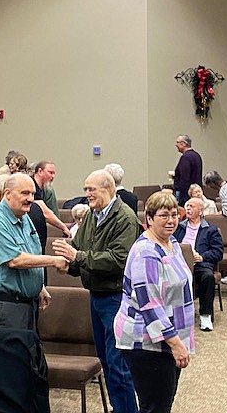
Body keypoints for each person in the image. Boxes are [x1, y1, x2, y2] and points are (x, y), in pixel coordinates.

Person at [52, 169, 141, 413]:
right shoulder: (93, 215)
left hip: (116, 298)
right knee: (106, 361)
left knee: (118, 365)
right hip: (96, 296)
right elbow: (81, 250)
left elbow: (119, 260)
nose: (87, 194)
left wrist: (76, 256)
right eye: (85, 189)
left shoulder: (125, 217)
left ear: (108, 189)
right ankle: (118, 408)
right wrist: (67, 263)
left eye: (92, 189)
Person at [114, 192, 194, 412]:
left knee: (161, 403)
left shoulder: (171, 243)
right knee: (155, 407)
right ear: (148, 218)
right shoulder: (146, 252)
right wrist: (176, 344)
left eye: (174, 215)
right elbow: (150, 305)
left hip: (164, 338)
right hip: (147, 342)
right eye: (163, 215)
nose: (170, 220)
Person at [0, 173, 68, 330]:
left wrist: (38, 286)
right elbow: (14, 260)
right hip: (6, 306)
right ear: (7, 194)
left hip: (27, 304)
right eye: (25, 193)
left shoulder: (24, 216)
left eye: (33, 193)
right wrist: (54, 261)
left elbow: (31, 251)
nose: (31, 199)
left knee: (26, 353)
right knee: (9, 354)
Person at [174, 197, 223, 332]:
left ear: (201, 211)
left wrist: (202, 257)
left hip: (200, 264)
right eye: (187, 206)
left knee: (208, 277)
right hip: (180, 263)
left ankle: (205, 316)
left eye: (192, 206)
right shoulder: (179, 227)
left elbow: (218, 253)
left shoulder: (210, 230)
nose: (188, 208)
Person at [173, 134, 203, 206]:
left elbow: (184, 178)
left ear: (184, 144)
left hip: (187, 195)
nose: (175, 145)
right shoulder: (197, 155)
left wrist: (182, 197)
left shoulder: (185, 157)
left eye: (177, 142)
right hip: (196, 191)